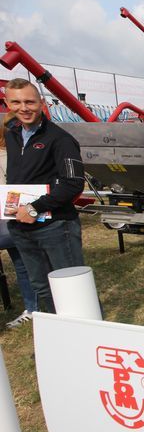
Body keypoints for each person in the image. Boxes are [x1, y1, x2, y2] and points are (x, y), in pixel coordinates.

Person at [3, 78, 86, 314]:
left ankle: (84, 340)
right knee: (41, 287)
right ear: (8, 103)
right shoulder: (13, 135)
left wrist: (33, 208)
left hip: (56, 227)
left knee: (72, 287)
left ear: (41, 102)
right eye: (16, 102)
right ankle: (57, 336)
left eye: (29, 101)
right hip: (20, 227)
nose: (24, 108)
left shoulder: (61, 139)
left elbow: (73, 184)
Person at [0, 112, 38, 327]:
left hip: (13, 218)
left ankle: (34, 308)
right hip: (13, 218)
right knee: (25, 265)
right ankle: (33, 308)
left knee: (25, 266)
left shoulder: (12, 155)